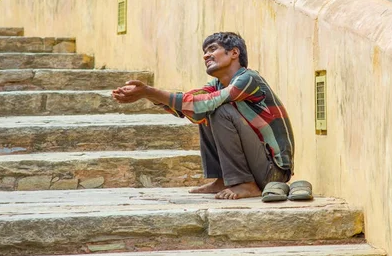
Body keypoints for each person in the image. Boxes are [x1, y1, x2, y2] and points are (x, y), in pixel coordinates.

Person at [112, 32, 294, 200]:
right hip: (258, 166)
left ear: (234, 53)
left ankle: (245, 184)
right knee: (204, 109)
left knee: (219, 110)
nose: (206, 56)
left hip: (273, 173)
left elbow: (206, 102)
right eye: (205, 52)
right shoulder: (217, 84)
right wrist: (147, 94)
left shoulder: (248, 78)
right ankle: (223, 179)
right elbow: (190, 103)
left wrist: (150, 91)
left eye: (213, 49)